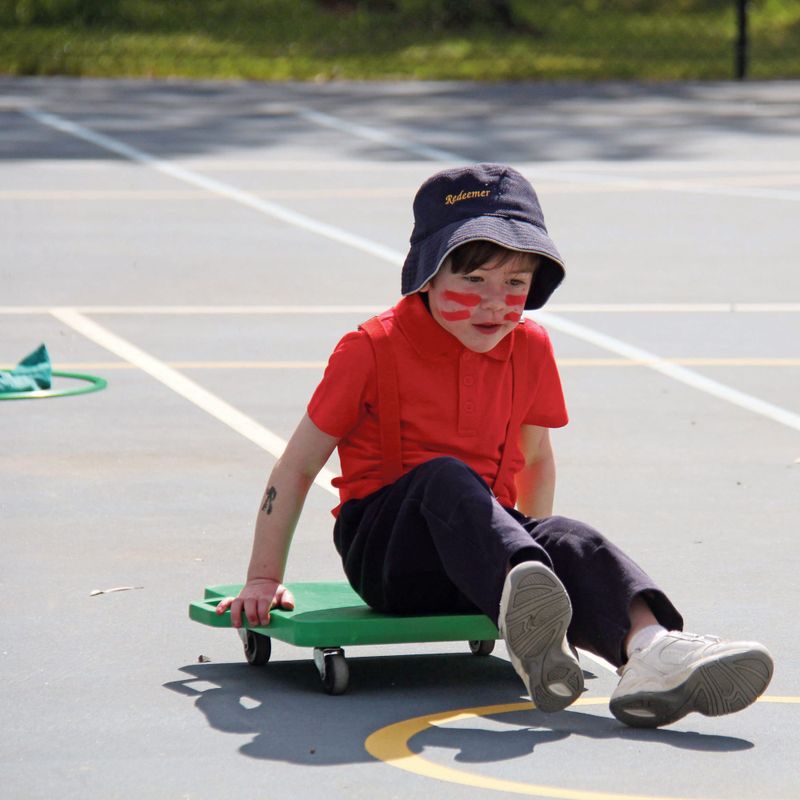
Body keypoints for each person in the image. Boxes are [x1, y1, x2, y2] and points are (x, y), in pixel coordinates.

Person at [217, 163, 773, 728]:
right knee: (446, 476)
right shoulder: (370, 348)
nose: (494, 303)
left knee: (570, 536)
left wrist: (542, 562)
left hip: (479, 559)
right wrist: (263, 576)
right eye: (474, 281)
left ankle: (650, 650)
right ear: (427, 277)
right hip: (388, 554)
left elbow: (535, 460)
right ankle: (525, 590)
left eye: (514, 284)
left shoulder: (529, 346)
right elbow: (298, 465)